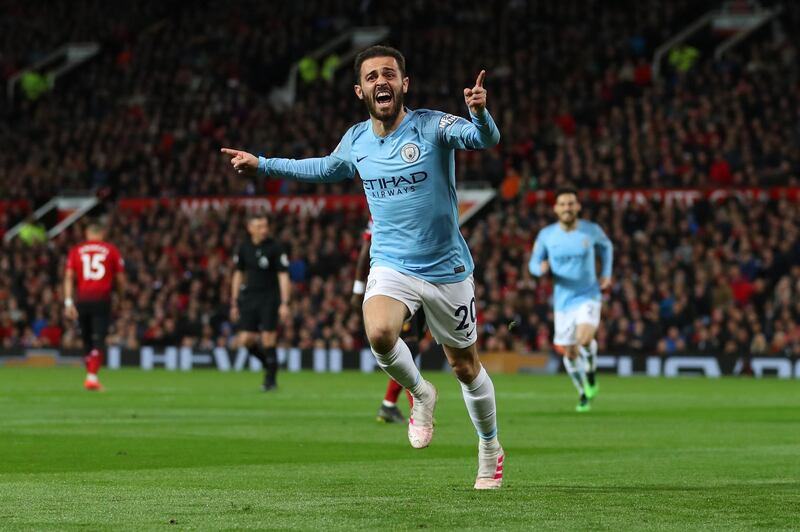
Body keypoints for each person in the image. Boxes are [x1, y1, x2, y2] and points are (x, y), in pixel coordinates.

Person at [222, 45, 504, 489]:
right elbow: (321, 168)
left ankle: (490, 447)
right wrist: (264, 165)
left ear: (404, 84)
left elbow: (485, 140)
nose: (381, 82)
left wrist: (480, 114)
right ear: (360, 90)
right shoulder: (355, 140)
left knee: (466, 367)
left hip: (446, 268)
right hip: (391, 264)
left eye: (389, 74)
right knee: (378, 332)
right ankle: (420, 392)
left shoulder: (431, 125)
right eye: (372, 77)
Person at [528, 187, 613, 412]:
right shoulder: (547, 235)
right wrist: (540, 268)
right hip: (563, 301)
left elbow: (607, 247)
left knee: (584, 339)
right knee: (570, 351)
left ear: (578, 207)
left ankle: (592, 373)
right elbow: (533, 264)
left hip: (588, 294)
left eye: (571, 203)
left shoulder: (590, 231)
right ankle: (583, 392)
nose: (567, 207)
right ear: (556, 209)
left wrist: (606, 273)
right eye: (563, 204)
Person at [350, 218, 425, 424]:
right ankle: (416, 410)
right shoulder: (382, 208)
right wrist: (358, 288)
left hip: (423, 280)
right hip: (396, 285)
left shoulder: (418, 204)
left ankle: (389, 405)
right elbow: (366, 247)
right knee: (408, 346)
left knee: (413, 346)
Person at [230, 213, 291, 391]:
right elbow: (238, 273)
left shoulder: (275, 247)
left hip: (270, 298)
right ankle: (269, 364)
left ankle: (270, 381)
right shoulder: (243, 247)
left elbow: (283, 275)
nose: (264, 230)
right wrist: (234, 301)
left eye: (265, 226)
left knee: (268, 338)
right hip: (249, 297)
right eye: (259, 226)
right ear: (250, 228)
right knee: (245, 339)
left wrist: (285, 302)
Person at [64, 222, 125, 391]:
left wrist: (68, 302)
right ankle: (91, 378)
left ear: (87, 233)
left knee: (86, 340)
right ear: (102, 233)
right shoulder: (111, 250)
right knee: (99, 339)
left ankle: (90, 375)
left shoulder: (76, 250)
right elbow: (120, 279)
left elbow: (69, 277)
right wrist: (121, 297)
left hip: (82, 300)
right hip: (101, 300)